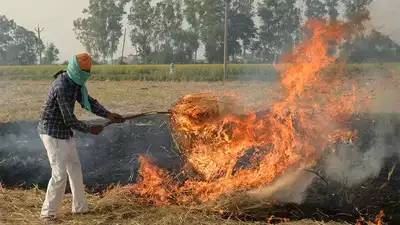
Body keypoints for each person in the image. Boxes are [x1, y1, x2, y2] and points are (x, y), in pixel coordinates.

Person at [37, 53, 125, 223]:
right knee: (59, 174)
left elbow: (89, 102)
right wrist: (89, 129)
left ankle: (80, 208)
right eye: (84, 71)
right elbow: (68, 118)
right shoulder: (62, 86)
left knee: (75, 169)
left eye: (88, 71)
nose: (87, 75)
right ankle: (48, 214)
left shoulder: (75, 84)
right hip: (52, 132)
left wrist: (109, 115)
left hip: (65, 133)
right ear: (76, 70)